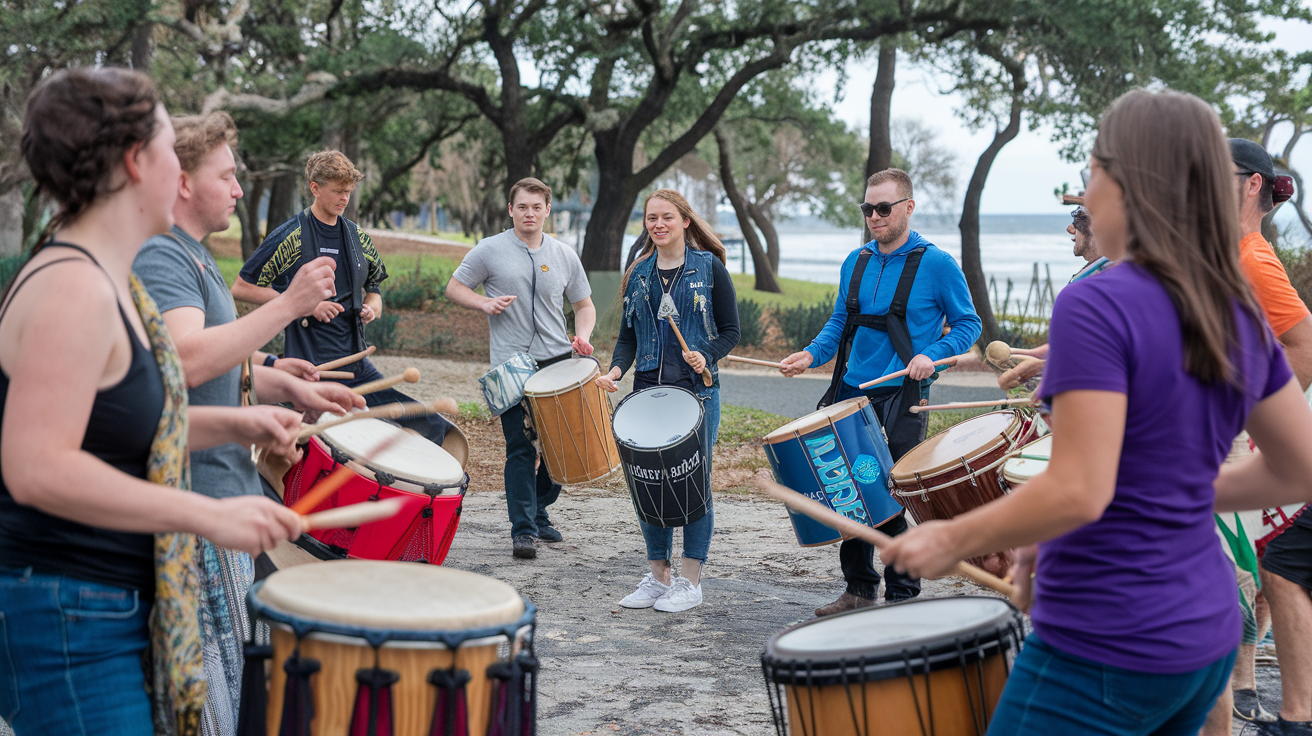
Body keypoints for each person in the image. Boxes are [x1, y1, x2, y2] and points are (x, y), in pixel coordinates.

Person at [880, 88, 1312, 736]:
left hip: (1108, 637)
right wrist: (1173, 493)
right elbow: (1299, 467)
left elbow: (1080, 489)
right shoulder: (1230, 305)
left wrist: (951, 537)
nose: (1084, 196)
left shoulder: (1094, 304)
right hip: (1205, 635)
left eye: (1090, 175)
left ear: (1128, 183)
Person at [0, 67, 303, 736]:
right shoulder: (73, 286)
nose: (182, 167)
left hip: (99, 604)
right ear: (137, 162)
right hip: (69, 610)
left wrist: (238, 421)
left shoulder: (108, 280)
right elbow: (37, 467)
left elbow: (116, 428)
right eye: (171, 147)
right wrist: (207, 514)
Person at [131, 111, 364, 735]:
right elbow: (182, 361)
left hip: (222, 497)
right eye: (227, 176)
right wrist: (288, 305)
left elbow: (216, 358)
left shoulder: (194, 255)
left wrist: (280, 378)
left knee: (238, 695)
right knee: (206, 710)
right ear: (183, 182)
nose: (239, 189)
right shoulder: (162, 254)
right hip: (195, 506)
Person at [777, 168, 981, 617]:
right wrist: (810, 354)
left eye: (884, 208)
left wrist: (933, 354)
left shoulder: (937, 264)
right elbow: (840, 322)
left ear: (909, 207)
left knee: (888, 494)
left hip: (904, 394)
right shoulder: (856, 261)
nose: (874, 216)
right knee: (848, 491)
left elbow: (969, 324)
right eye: (868, 208)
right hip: (852, 392)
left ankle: (903, 594)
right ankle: (859, 588)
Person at [231, 151, 451, 445]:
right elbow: (242, 286)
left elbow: (375, 287)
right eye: (337, 191)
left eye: (348, 191)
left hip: (355, 362)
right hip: (310, 367)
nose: (344, 198)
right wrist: (302, 306)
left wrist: (372, 306)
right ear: (315, 188)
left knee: (427, 423)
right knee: (328, 447)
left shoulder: (357, 236)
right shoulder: (290, 236)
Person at [595, 189, 740, 613]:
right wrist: (615, 371)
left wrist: (707, 354)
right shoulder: (638, 274)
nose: (658, 225)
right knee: (648, 485)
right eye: (651, 218)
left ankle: (690, 581)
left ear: (685, 221)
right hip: (646, 394)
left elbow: (731, 331)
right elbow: (627, 339)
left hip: (696, 393)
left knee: (694, 485)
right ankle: (659, 577)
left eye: (667, 217)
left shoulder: (709, 268)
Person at [445, 178, 596, 560]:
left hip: (558, 362)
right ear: (511, 210)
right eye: (523, 207)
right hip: (509, 367)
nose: (530, 214)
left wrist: (582, 336)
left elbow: (584, 305)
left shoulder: (564, 254)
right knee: (520, 448)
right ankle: (524, 530)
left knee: (561, 447)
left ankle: (539, 509)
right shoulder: (489, 250)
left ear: (548, 211)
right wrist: (483, 303)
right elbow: (454, 288)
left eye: (537, 207)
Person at [1223, 138, 1312, 736]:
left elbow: (1305, 346)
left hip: (1273, 443)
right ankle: (1289, 713)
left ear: (1252, 183)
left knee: (1271, 569)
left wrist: (1255, 417)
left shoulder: (1254, 258)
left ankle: (1291, 714)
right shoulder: (1228, 254)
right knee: (1274, 569)